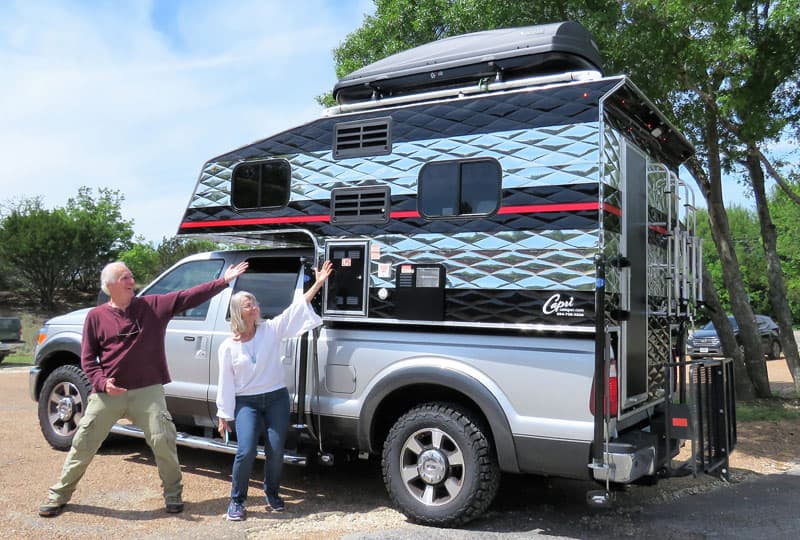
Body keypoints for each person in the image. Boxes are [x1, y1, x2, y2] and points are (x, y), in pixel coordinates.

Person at [38, 260, 249, 518]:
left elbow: (188, 296)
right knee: (83, 443)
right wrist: (103, 383)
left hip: (148, 392)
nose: (131, 281)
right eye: (125, 277)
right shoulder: (96, 317)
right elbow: (87, 359)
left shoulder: (153, 306)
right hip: (108, 395)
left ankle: (173, 496)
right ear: (110, 286)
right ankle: (57, 496)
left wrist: (223, 281)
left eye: (131, 276)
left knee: (164, 441)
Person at [216, 260, 332, 521]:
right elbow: (226, 383)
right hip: (247, 402)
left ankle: (272, 492)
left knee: (276, 449)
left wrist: (319, 282)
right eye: (249, 305)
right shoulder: (228, 347)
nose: (255, 307)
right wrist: (224, 414)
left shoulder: (270, 330)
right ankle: (237, 501)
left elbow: (297, 308)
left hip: (276, 398)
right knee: (245, 450)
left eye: (255, 303)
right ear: (238, 312)